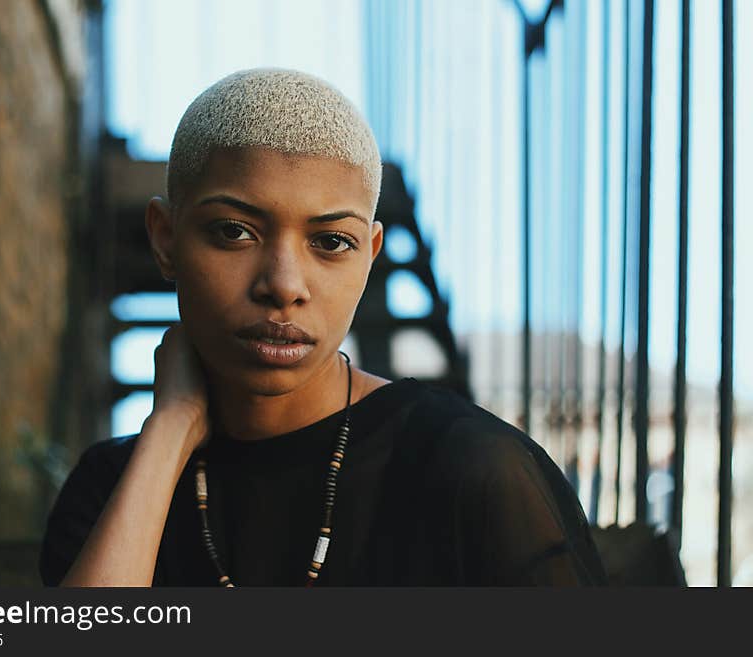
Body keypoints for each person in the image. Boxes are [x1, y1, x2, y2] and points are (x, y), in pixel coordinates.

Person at [39, 68, 607, 587]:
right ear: (165, 238)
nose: (285, 284)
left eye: (331, 242)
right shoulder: (112, 488)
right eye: (235, 231)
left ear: (370, 256)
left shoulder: (473, 470)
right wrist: (170, 430)